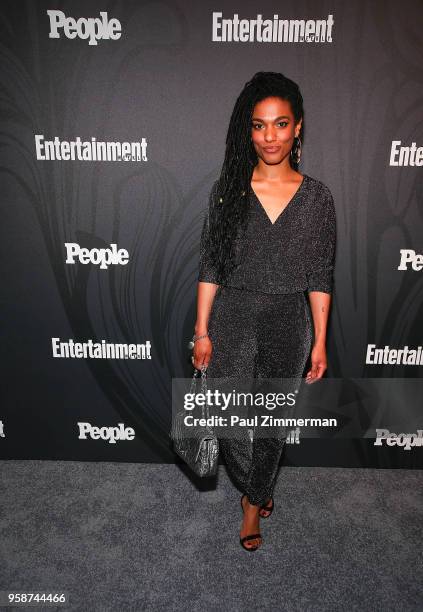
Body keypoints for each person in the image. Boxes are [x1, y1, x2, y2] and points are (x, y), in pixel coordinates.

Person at [191, 71, 336, 551]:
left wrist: (319, 340)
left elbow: (320, 276)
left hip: (288, 324)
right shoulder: (228, 189)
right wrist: (202, 329)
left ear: (298, 128)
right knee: (231, 417)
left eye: (280, 124)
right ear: (247, 130)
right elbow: (211, 263)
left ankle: (253, 501)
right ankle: (256, 482)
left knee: (272, 422)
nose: (269, 136)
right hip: (233, 315)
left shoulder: (317, 198)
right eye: (258, 125)